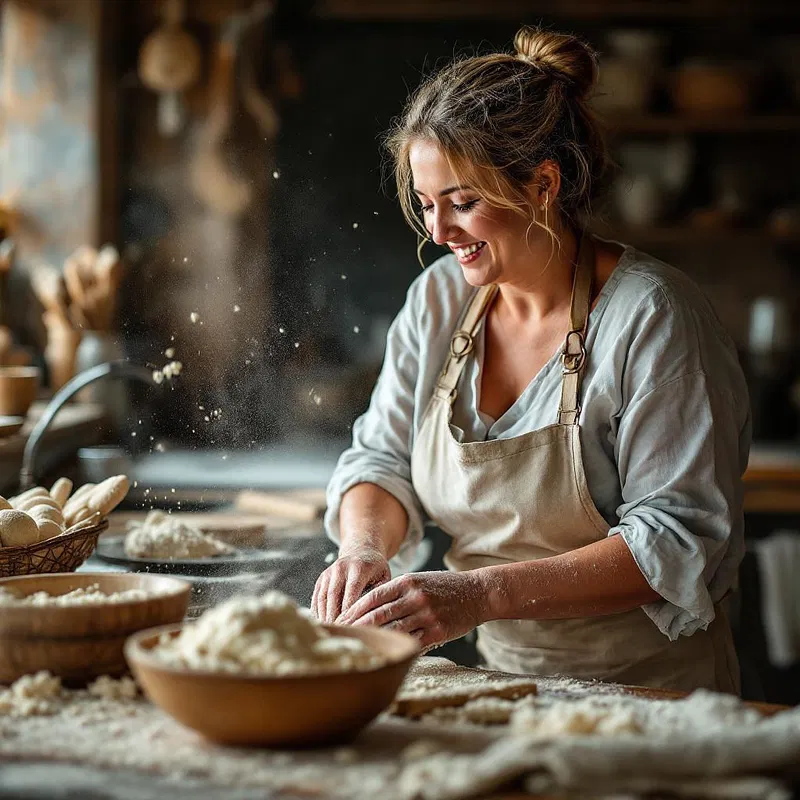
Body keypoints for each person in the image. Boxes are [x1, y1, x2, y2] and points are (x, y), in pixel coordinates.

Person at [311, 27, 751, 693]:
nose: (438, 232)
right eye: (428, 205)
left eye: (463, 203)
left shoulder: (653, 318)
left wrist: (482, 594)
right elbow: (381, 460)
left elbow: (676, 538)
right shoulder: (438, 301)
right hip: (502, 683)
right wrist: (362, 550)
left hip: (652, 695)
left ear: (543, 185)